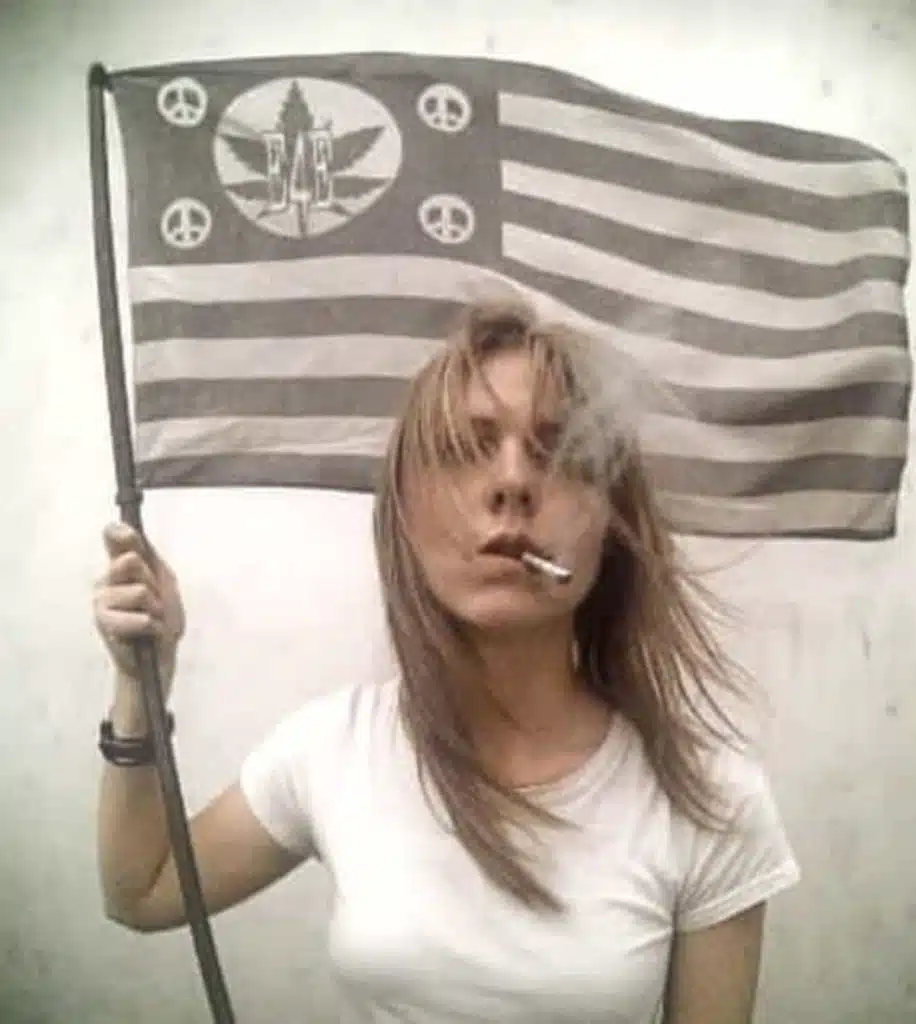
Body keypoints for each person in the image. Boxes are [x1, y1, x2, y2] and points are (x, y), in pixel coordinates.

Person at [93, 300, 800, 1023]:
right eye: (466, 447)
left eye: (559, 451)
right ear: (405, 512)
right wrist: (140, 685)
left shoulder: (710, 798)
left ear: (609, 528)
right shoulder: (333, 748)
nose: (513, 482)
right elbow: (142, 889)